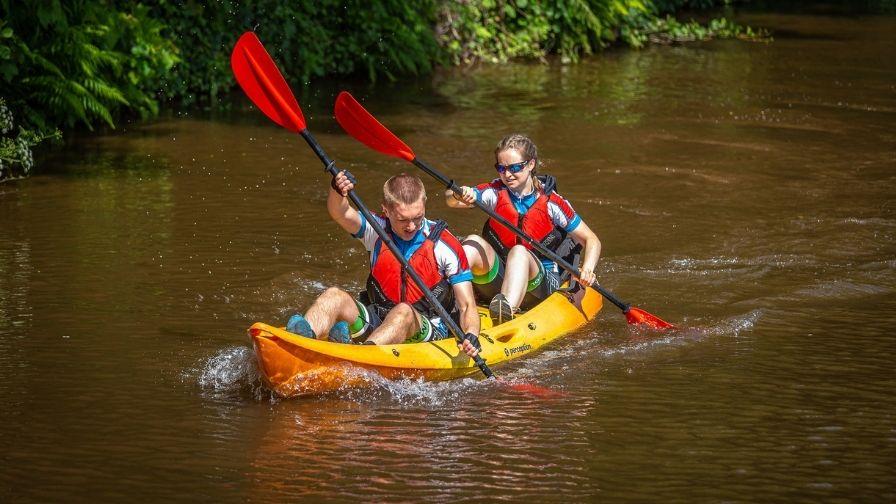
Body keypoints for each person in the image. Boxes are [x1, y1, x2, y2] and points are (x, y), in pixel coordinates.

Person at [286, 171, 481, 358]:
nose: (411, 226)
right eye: (402, 219)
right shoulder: (375, 230)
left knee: (403, 311)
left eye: (417, 217)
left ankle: (362, 358)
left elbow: (466, 305)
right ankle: (297, 345)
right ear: (386, 210)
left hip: (426, 327)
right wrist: (337, 189)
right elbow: (340, 212)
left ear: (424, 206)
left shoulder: (445, 245)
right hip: (379, 319)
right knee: (333, 295)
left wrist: (471, 333)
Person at [446, 133, 601, 325]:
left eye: (515, 168)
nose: (507, 175)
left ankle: (505, 313)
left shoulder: (553, 203)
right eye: (501, 168)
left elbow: (591, 239)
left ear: (531, 165)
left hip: (540, 285)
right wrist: (459, 194)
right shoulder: (493, 193)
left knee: (519, 252)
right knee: (472, 243)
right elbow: (451, 200)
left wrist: (587, 269)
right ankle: (444, 300)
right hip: (501, 279)